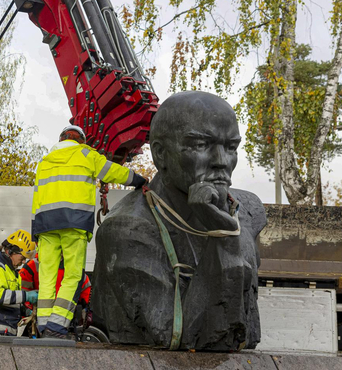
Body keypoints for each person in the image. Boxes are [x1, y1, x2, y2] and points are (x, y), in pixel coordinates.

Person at [90, 91, 267, 351]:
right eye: (200, 145)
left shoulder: (249, 210)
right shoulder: (127, 230)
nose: (221, 162)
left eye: (231, 147)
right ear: (160, 154)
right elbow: (180, 339)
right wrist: (222, 235)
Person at [31, 125, 147, 339]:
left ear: (61, 138)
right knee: (73, 276)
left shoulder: (44, 162)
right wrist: (139, 180)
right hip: (73, 223)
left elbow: (36, 196)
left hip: (45, 225)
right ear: (80, 140)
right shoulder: (85, 154)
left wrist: (34, 229)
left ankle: (43, 325)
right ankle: (56, 328)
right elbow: (113, 171)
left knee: (46, 277)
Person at [0, 229, 38, 336]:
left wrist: (24, 310)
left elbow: (12, 299)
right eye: (22, 257)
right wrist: (26, 296)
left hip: (3, 329)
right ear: (10, 251)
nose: (24, 262)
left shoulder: (11, 272)